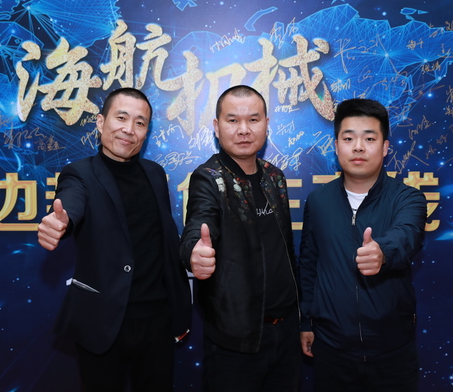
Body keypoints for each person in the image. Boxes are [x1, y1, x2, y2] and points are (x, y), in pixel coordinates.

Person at [37, 88, 191, 392]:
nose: (129, 129)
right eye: (121, 118)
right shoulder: (78, 174)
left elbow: (163, 241)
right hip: (102, 321)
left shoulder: (155, 173)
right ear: (100, 122)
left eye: (140, 123)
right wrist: (62, 222)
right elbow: (71, 202)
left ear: (146, 131)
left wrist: (179, 310)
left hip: (157, 321)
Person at [298, 98, 427, 392]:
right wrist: (306, 322)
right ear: (336, 146)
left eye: (369, 139)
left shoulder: (408, 198)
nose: (358, 147)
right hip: (331, 349)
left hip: (392, 351)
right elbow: (309, 264)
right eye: (348, 139)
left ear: (385, 147)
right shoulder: (318, 201)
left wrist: (383, 251)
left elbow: (407, 235)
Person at [180, 85, 300, 392]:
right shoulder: (208, 178)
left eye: (253, 120)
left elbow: (286, 250)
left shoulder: (275, 177)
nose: (244, 129)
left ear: (266, 124)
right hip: (236, 339)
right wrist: (194, 253)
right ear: (216, 126)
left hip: (286, 332)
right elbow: (198, 225)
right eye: (233, 120)